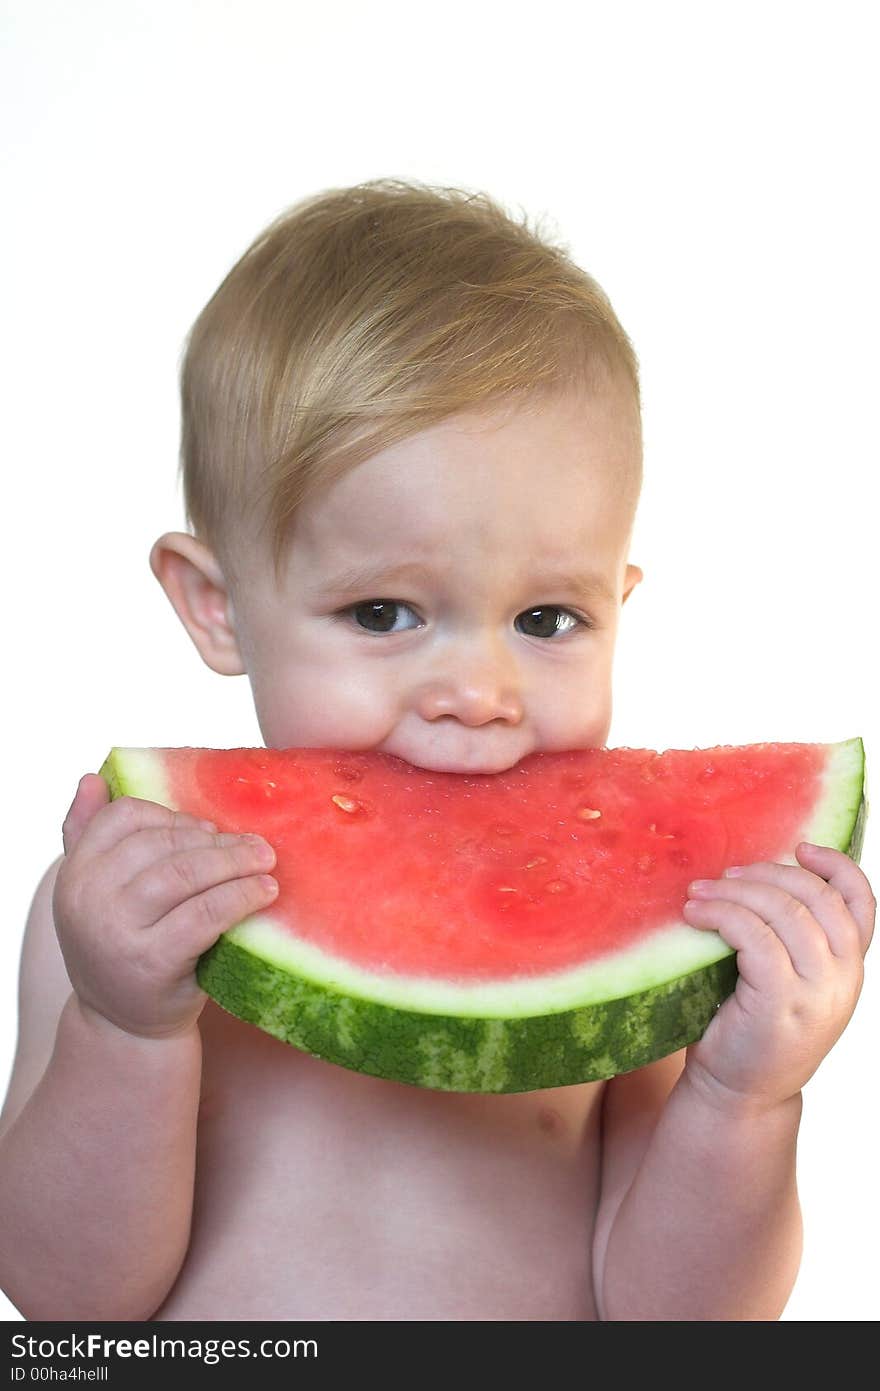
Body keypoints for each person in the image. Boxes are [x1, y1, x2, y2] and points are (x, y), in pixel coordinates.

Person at [0, 179, 874, 1322]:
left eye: (547, 619)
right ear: (216, 605)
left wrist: (745, 1096)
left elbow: (680, 1321)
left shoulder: (662, 936)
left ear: (622, 601)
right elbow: (71, 1305)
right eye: (382, 613)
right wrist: (124, 1024)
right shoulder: (121, 906)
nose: (477, 693)